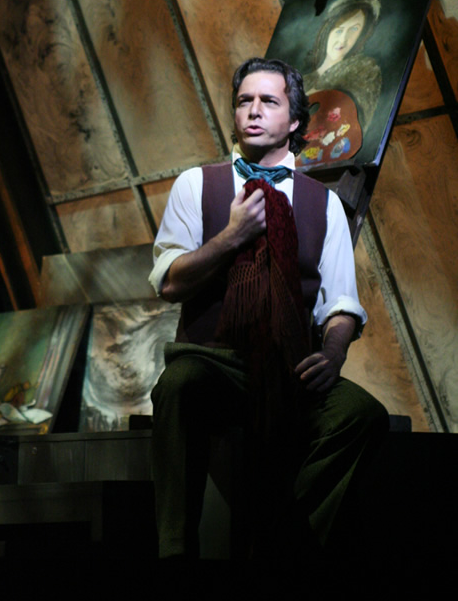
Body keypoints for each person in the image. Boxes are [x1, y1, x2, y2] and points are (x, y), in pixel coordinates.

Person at [149, 57, 388, 560]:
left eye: (268, 101)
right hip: (215, 361)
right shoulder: (196, 184)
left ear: (295, 120)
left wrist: (334, 354)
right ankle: (174, 551)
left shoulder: (324, 204)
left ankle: (285, 543)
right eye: (244, 101)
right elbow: (169, 282)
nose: (253, 111)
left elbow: (342, 304)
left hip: (288, 366)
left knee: (360, 414)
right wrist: (230, 237)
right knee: (178, 385)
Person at [303, 0, 381, 131]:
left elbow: (354, 126)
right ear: (326, 31)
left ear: (362, 34)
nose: (343, 39)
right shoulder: (303, 81)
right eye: (339, 30)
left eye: (354, 29)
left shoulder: (363, 72)